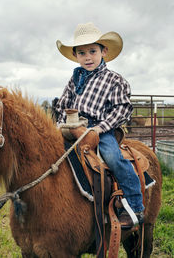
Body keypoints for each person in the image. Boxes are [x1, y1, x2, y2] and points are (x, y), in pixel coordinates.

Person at [55, 22, 144, 229]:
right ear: (76, 56)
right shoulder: (74, 78)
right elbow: (63, 103)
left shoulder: (114, 80)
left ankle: (135, 205)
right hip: (72, 126)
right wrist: (60, 122)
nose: (88, 57)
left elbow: (122, 109)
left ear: (103, 51)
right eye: (82, 53)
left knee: (113, 158)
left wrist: (100, 128)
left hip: (99, 129)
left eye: (92, 51)